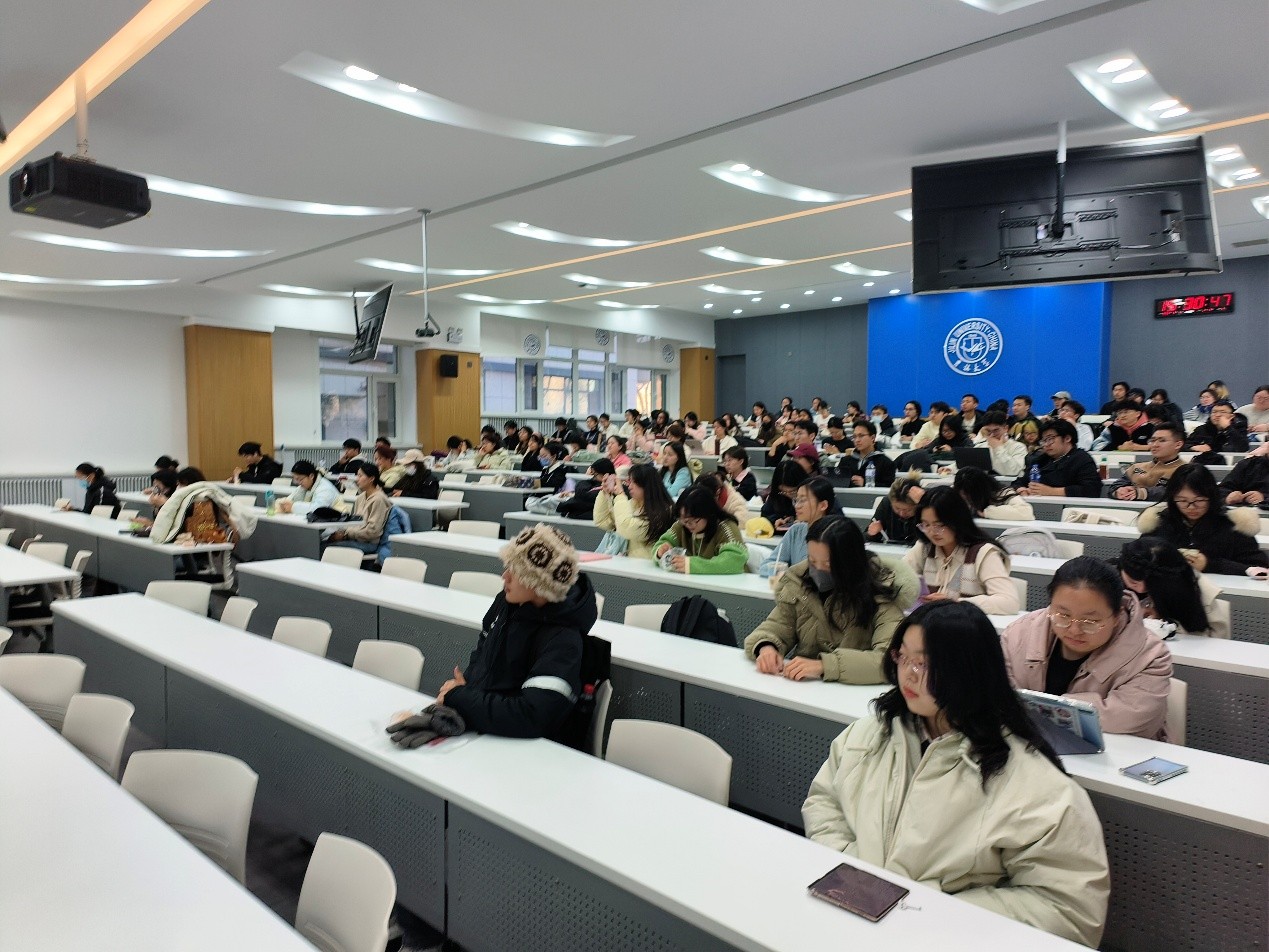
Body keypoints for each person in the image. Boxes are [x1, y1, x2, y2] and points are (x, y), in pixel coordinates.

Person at [804, 602, 1110, 948]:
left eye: (925, 664)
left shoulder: (1035, 785)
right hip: (846, 923)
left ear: (969, 672)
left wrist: (930, 913)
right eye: (903, 656)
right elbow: (824, 802)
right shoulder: (873, 733)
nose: (909, 674)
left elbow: (1068, 911)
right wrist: (853, 874)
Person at [435, 523, 595, 739]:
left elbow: (531, 716)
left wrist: (460, 697)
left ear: (539, 583)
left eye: (515, 570)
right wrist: (466, 691)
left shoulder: (564, 639)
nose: (505, 576)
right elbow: (482, 654)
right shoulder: (506, 603)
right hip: (488, 730)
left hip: (530, 750)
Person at [1002, 557, 1172, 740]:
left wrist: (1041, 708)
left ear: (1117, 616)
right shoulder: (1019, 633)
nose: (1074, 630)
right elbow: (999, 695)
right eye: (1063, 615)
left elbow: (1130, 719)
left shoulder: (1151, 655)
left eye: (1090, 621)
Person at [747, 516, 917, 683]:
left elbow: (889, 660)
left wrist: (825, 666)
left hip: (854, 691)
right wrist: (766, 646)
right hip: (801, 687)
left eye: (828, 564)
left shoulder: (882, 594)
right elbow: (778, 626)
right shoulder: (799, 584)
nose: (818, 570)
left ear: (851, 562)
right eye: (812, 561)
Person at [1136, 464, 1268, 576]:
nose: (1191, 507)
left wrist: (1209, 564)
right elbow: (1136, 556)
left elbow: (1260, 567)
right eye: (1182, 501)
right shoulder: (1159, 521)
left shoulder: (1233, 525)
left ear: (1211, 496)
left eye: (1199, 500)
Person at [903, 487, 1019, 614]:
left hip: (967, 624)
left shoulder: (983, 553)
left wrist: (956, 603)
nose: (931, 532)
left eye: (939, 525)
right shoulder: (924, 547)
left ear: (957, 520)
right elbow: (897, 576)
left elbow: (1009, 602)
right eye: (925, 525)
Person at [1119, 536, 1228, 638]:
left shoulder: (1190, 588)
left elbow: (1206, 639)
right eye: (1133, 582)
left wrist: (1164, 621)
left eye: (1151, 586)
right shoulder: (1114, 583)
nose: (1141, 589)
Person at [653, 484, 747, 575]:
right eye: (684, 520)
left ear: (707, 513)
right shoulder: (681, 526)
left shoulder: (726, 527)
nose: (688, 525)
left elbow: (735, 560)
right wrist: (660, 552)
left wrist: (692, 565)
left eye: (694, 520)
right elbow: (663, 542)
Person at [758, 477, 841, 577]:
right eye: (796, 500)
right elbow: (766, 566)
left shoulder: (837, 536)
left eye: (803, 500)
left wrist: (792, 575)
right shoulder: (796, 531)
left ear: (823, 505)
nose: (797, 506)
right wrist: (785, 573)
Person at [594, 462, 675, 559]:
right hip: (629, 562)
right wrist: (605, 492)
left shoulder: (663, 511)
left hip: (648, 564)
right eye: (629, 481)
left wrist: (620, 494)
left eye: (633, 482)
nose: (629, 486)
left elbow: (625, 527)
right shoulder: (634, 504)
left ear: (646, 485)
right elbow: (602, 522)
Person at [1014, 419, 1102, 497]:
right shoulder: (1041, 460)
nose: (1046, 444)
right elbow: (1019, 482)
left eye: (1050, 439)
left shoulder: (1082, 459)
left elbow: (1092, 489)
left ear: (1067, 438)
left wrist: (1051, 491)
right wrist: (1022, 490)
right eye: (1043, 441)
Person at [323, 462, 394, 558]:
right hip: (354, 538)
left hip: (367, 543)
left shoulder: (379, 499)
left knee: (324, 549)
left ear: (371, 478)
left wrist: (346, 535)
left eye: (360, 476)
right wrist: (341, 532)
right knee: (321, 543)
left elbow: (373, 531)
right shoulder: (360, 497)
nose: (357, 479)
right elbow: (353, 521)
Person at [1106, 422, 1185, 501]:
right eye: (1152, 440)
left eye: (1162, 441)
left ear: (1178, 445)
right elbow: (1115, 486)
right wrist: (1118, 491)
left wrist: (1141, 493)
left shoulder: (1185, 470)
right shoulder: (1136, 467)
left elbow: (1173, 492)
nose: (1155, 445)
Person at [953, 466, 1034, 520]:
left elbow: (1026, 512)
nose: (964, 497)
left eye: (967, 494)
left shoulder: (1002, 492)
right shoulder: (957, 490)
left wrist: (987, 512)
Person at [866, 474, 923, 544]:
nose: (902, 513)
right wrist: (871, 534)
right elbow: (865, 538)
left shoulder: (925, 506)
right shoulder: (886, 503)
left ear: (917, 505)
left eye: (908, 510)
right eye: (897, 508)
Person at [836, 421, 895, 487]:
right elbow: (837, 481)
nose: (857, 440)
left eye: (861, 436)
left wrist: (865, 483)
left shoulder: (886, 463)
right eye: (854, 436)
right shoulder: (845, 461)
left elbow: (889, 487)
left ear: (872, 438)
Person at [972, 410, 1026, 477]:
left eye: (996, 430)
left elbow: (1014, 471)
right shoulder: (980, 447)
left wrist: (998, 448)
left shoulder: (1018, 447)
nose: (992, 435)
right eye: (988, 431)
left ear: (1006, 428)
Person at [1220, 440, 1269, 506]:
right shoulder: (1248, 464)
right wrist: (1228, 497)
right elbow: (1222, 489)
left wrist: (1264, 498)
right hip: (1242, 510)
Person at [761, 461, 806, 531]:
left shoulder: (812, 494)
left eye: (793, 491)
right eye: (783, 491)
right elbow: (764, 517)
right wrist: (775, 521)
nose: (788, 494)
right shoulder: (777, 494)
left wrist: (805, 521)